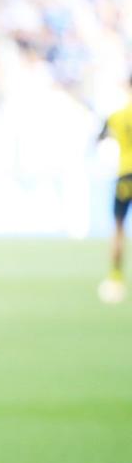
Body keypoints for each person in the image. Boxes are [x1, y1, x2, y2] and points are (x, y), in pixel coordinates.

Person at [97, 77, 132, 304]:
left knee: (118, 227)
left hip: (125, 175)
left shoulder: (117, 115)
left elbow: (100, 138)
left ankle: (115, 276)